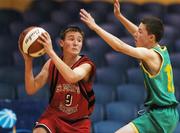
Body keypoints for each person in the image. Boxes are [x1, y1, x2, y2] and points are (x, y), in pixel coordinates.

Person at [79, 0, 179, 133]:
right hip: (166, 114)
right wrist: (120, 16)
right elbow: (136, 32)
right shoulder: (160, 49)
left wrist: (95, 26)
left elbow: (119, 46)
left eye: (140, 32)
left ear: (151, 37)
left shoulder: (149, 55)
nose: (136, 34)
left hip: (161, 116)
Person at [19, 25, 96, 133]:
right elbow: (31, 89)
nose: (76, 43)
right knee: (39, 131)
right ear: (61, 43)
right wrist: (28, 61)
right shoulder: (51, 63)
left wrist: (50, 52)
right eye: (71, 39)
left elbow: (72, 77)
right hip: (54, 117)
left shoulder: (87, 65)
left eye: (79, 40)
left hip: (78, 122)